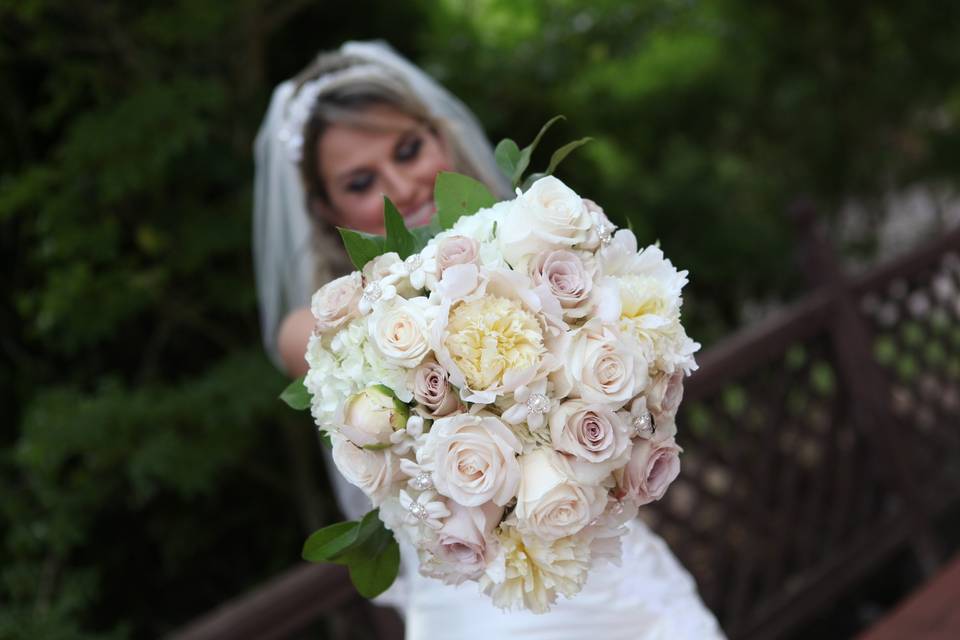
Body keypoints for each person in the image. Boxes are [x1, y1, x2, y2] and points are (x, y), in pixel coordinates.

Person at [253, 40, 724, 639]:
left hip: (610, 565)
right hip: (488, 604)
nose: (402, 186)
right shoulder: (319, 331)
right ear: (322, 207)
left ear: (440, 135)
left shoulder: (531, 239)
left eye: (408, 149)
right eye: (361, 181)